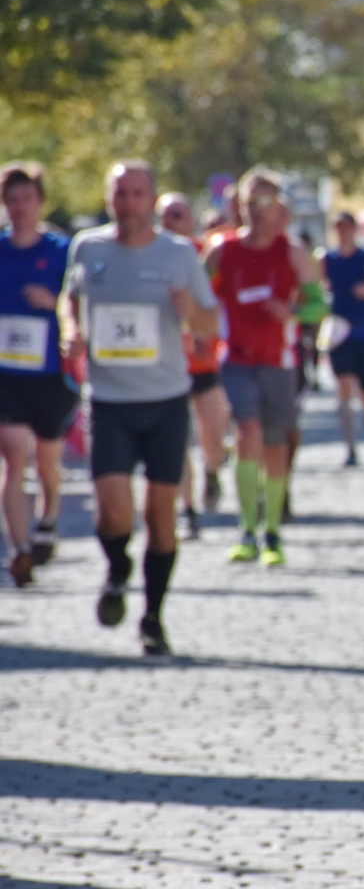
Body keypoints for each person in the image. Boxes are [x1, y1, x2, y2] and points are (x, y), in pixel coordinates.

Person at [60, 161, 219, 654]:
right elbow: (71, 298)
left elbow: (211, 323)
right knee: (112, 510)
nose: (127, 203)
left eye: (135, 194)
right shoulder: (89, 247)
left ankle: (152, 615)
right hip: (109, 401)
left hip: (166, 401)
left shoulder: (178, 254)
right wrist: (72, 330)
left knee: (160, 514)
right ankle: (117, 566)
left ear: (151, 200)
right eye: (119, 194)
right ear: (109, 199)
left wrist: (189, 311)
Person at [207, 167, 323, 566]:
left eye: (266, 202)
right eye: (250, 202)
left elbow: (319, 304)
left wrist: (289, 310)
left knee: (275, 446)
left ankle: (272, 533)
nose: (257, 210)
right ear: (238, 206)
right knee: (247, 432)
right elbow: (201, 297)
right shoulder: (223, 251)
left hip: (280, 362)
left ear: (278, 209)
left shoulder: (290, 252)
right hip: (236, 359)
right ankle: (246, 530)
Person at [0, 162, 76, 586]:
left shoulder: (60, 251)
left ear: (41, 203)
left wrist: (54, 302)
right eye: (12, 200)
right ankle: (19, 550)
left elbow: (78, 301)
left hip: (49, 372)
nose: (20, 207)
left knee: (47, 460)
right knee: (13, 457)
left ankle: (48, 518)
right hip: (6, 372)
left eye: (27, 199)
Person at [159, 192, 228, 538]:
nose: (171, 221)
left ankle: (213, 471)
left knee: (213, 435)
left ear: (191, 220)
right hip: (169, 363)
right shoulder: (152, 256)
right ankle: (188, 509)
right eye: (165, 215)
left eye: (178, 214)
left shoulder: (207, 255)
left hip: (205, 362)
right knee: (179, 440)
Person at [320, 212, 364, 465]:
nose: (342, 231)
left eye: (346, 226)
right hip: (338, 331)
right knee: (343, 384)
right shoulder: (326, 259)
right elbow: (316, 287)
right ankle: (350, 448)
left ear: (354, 229)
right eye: (338, 227)